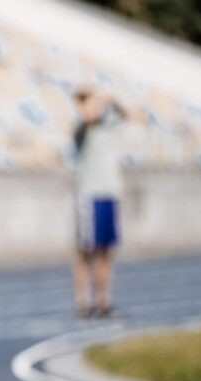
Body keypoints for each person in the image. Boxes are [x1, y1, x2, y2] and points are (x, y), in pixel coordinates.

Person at [72, 87, 126, 318]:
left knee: (105, 252)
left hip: (109, 193)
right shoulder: (82, 129)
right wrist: (93, 103)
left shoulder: (110, 125)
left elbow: (124, 114)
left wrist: (109, 97)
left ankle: (103, 301)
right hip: (90, 195)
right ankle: (83, 303)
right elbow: (87, 118)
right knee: (85, 252)